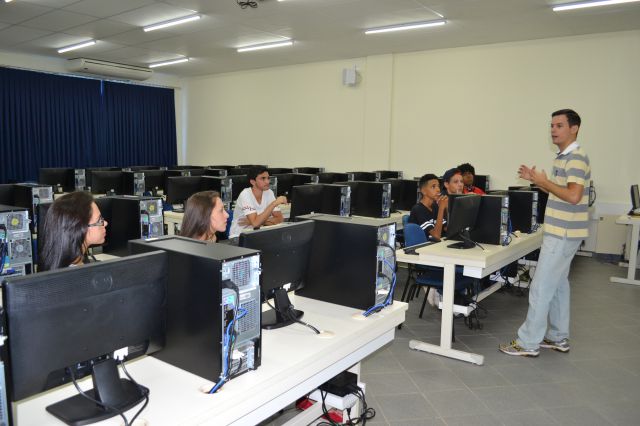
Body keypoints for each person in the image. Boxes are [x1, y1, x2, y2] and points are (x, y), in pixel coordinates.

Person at [500, 109, 590, 357]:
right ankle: (558, 337)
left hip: (563, 233)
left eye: (559, 125)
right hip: (564, 231)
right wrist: (537, 181)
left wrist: (545, 182)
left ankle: (528, 342)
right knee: (558, 285)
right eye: (551, 125)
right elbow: (562, 192)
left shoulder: (575, 158)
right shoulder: (564, 157)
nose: (553, 130)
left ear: (574, 128)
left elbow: (573, 196)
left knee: (540, 287)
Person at [38, 191, 108, 271]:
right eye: (99, 220)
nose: (105, 223)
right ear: (80, 228)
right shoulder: (75, 274)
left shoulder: (72, 264)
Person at [229, 167, 287, 238]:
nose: (267, 182)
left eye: (268, 178)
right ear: (252, 182)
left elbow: (280, 219)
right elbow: (256, 224)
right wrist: (274, 203)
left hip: (258, 233)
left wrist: (256, 221)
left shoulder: (269, 192)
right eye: (263, 178)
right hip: (239, 236)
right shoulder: (245, 194)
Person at [408, 173, 448, 241]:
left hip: (437, 245)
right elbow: (436, 237)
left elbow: (448, 229)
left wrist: (447, 208)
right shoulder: (418, 209)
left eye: (438, 186)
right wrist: (441, 208)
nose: (438, 190)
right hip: (425, 245)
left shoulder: (435, 206)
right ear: (423, 191)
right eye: (433, 186)